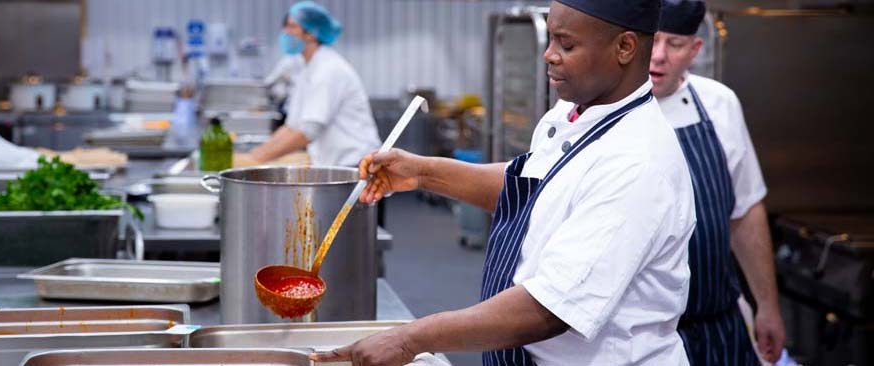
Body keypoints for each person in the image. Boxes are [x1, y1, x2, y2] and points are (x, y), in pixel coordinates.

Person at [312, 1, 696, 365]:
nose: (548, 54)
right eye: (550, 38)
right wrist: (423, 172)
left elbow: (547, 309)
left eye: (567, 43)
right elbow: (536, 188)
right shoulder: (576, 111)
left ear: (625, 47)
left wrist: (409, 337)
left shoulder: (636, 162)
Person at [651, 1, 786, 364]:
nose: (659, 57)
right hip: (643, 337)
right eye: (652, 41)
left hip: (720, 325)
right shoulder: (604, 113)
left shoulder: (718, 104)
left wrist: (767, 305)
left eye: (674, 44)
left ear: (695, 50)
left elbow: (745, 212)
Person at [243, 1, 380, 167]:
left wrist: (257, 159)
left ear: (312, 34)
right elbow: (292, 127)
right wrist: (254, 155)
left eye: (292, 27)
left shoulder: (328, 69)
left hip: (355, 164)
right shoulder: (306, 69)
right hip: (333, 164)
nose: (285, 32)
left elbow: (309, 131)